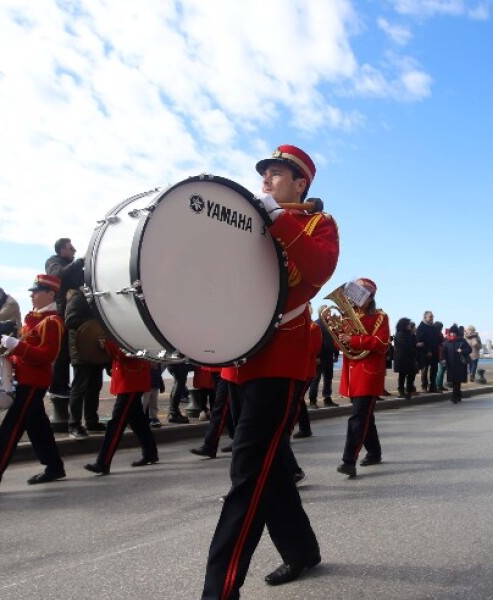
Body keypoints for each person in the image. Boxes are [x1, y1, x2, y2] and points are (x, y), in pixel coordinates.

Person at [202, 144, 337, 598]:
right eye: (265, 173)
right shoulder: (251, 222)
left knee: (247, 476)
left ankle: (219, 589)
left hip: (279, 362)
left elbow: (317, 269)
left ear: (301, 184)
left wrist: (278, 218)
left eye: (278, 173)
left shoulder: (319, 223)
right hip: (239, 361)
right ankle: (301, 549)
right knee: (269, 467)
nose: (266, 179)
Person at [0, 274, 67, 496]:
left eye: (37, 291)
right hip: (24, 380)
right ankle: (54, 467)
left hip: (33, 382)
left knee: (9, 431)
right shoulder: (35, 319)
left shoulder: (52, 322)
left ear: (51, 294)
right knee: (38, 428)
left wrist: (17, 346)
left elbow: (48, 355)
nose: (32, 294)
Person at [335, 279, 389, 478]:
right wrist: (339, 337)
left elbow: (382, 343)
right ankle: (374, 452)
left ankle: (348, 461)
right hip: (352, 372)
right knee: (366, 417)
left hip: (369, 373)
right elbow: (339, 345)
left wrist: (354, 340)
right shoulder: (348, 316)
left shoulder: (380, 317)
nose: (354, 299)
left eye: (359, 295)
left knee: (358, 417)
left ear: (370, 297)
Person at [83, 340, 158, 474]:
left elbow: (128, 352)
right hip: (129, 377)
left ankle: (103, 462)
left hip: (132, 379)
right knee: (137, 421)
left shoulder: (131, 332)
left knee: (116, 423)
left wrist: (106, 344)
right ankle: (150, 452)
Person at [45, 238, 84, 400]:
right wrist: (81, 261)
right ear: (62, 250)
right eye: (70, 248)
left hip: (73, 311)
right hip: (61, 310)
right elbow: (57, 275)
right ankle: (57, 386)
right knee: (61, 350)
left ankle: (66, 385)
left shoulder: (73, 267)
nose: (74, 250)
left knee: (70, 349)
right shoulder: (53, 262)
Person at [64, 287, 105, 438]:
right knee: (79, 388)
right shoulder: (79, 297)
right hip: (81, 350)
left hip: (95, 349)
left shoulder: (96, 296)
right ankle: (74, 424)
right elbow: (70, 320)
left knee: (94, 387)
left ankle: (92, 422)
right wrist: (96, 322)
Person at [307, 315, 339, 408]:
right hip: (320, 356)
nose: (329, 314)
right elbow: (315, 341)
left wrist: (336, 354)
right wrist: (316, 356)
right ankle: (312, 400)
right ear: (322, 312)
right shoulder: (317, 323)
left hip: (329, 356)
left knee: (328, 378)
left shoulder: (331, 325)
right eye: (327, 312)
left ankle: (327, 399)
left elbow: (335, 339)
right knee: (316, 379)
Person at [441, 323, 472, 403]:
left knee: (457, 381)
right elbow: (443, 352)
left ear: (457, 333)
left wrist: (462, 351)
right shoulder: (447, 342)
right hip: (450, 364)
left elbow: (469, 349)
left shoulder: (462, 341)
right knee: (454, 381)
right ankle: (458, 396)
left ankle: (455, 397)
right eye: (451, 332)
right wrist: (443, 359)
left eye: (454, 333)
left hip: (460, 364)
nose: (452, 334)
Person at [416, 311, 442, 393]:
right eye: (430, 317)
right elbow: (420, 341)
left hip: (434, 351)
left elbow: (436, 339)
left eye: (432, 317)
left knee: (434, 369)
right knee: (425, 369)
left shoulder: (433, 327)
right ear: (425, 317)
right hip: (425, 353)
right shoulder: (421, 327)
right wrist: (427, 351)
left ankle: (432, 386)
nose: (432, 318)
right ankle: (424, 386)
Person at [393, 317, 418, 398]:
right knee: (402, 375)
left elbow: (413, 342)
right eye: (408, 324)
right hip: (402, 358)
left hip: (409, 358)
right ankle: (401, 390)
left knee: (411, 374)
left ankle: (409, 389)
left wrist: (413, 334)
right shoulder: (400, 334)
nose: (409, 326)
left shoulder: (409, 334)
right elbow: (406, 345)